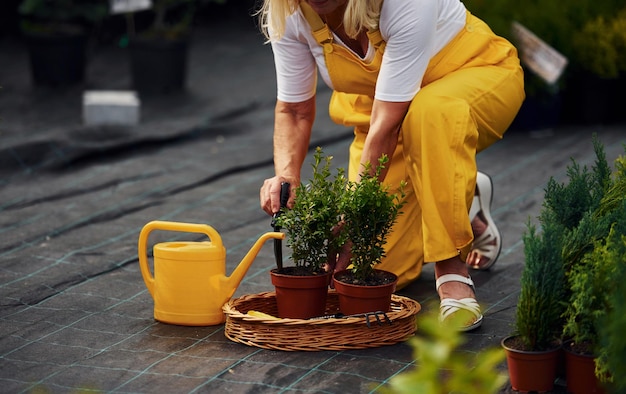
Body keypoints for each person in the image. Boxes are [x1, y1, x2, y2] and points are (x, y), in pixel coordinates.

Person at [258, 0, 524, 331]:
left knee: (430, 112)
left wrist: (354, 213)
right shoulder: (289, 11)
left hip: (472, 77)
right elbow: (294, 111)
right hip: (389, 116)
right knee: (372, 270)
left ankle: (452, 272)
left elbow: (386, 127)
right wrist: (285, 174)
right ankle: (461, 197)